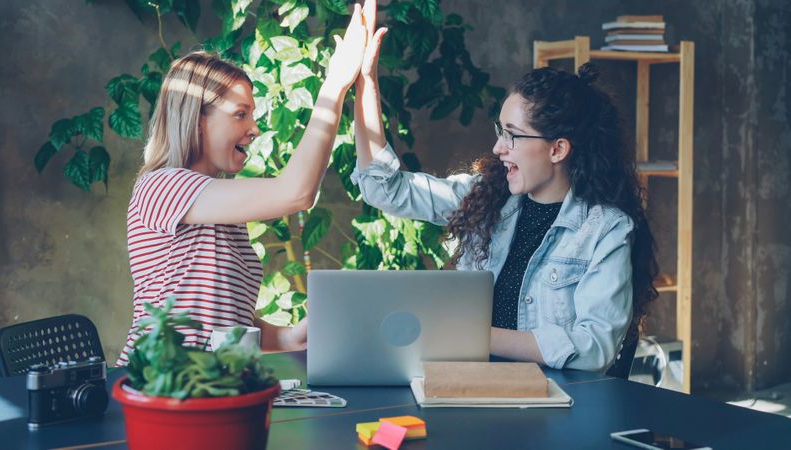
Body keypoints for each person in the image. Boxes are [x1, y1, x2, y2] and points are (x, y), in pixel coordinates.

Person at [352, 0, 658, 372]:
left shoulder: (606, 229)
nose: (499, 148)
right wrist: (364, 80)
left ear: (558, 148)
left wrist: (469, 333)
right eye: (501, 131)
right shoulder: (487, 196)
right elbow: (384, 189)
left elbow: (594, 348)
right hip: (469, 385)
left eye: (512, 135)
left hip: (553, 405)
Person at [116, 4, 368, 366]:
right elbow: (295, 193)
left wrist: (290, 336)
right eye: (240, 114)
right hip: (160, 384)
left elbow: (223, 322)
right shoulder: (162, 187)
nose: (255, 129)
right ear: (197, 120)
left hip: (212, 384)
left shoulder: (220, 208)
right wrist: (335, 84)